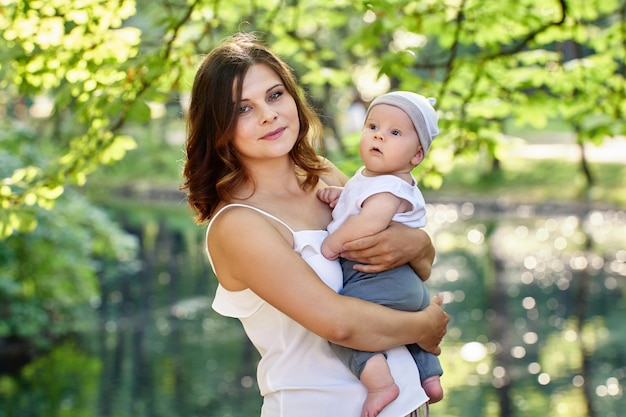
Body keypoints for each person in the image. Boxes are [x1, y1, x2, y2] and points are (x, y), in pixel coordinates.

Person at [181, 32, 448, 417]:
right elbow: (338, 324)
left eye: (275, 95)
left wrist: (420, 244)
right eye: (242, 109)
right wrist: (425, 326)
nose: (268, 115)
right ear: (218, 125)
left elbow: (416, 268)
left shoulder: (327, 175)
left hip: (407, 405)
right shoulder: (238, 224)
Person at [318, 91, 444, 417]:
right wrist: (340, 196)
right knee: (410, 335)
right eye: (372, 125)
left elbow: (371, 221)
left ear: (416, 155)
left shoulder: (390, 187)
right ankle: (429, 377)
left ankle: (380, 383)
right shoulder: (372, 179)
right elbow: (357, 203)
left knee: (347, 331)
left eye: (395, 132)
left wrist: (333, 244)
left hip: (381, 279)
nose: (379, 135)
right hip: (406, 284)